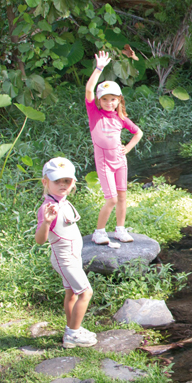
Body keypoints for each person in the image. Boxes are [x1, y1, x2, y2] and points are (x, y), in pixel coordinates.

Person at [35, 157, 98, 348]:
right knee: (86, 293)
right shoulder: (48, 208)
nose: (62, 185)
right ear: (45, 182)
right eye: (57, 181)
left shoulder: (62, 201)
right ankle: (72, 334)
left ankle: (72, 328)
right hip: (64, 258)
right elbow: (40, 240)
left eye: (67, 181)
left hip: (73, 256)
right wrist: (46, 222)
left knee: (71, 293)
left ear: (73, 183)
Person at [85, 51, 143, 244]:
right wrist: (99, 68)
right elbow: (89, 90)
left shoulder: (120, 117)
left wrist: (127, 148)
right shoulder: (95, 113)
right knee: (111, 198)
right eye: (105, 99)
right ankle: (99, 232)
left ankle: (120, 229)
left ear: (119, 100)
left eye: (113, 99)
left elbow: (138, 133)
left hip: (120, 161)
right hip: (104, 163)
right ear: (99, 101)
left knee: (122, 197)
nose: (109, 103)